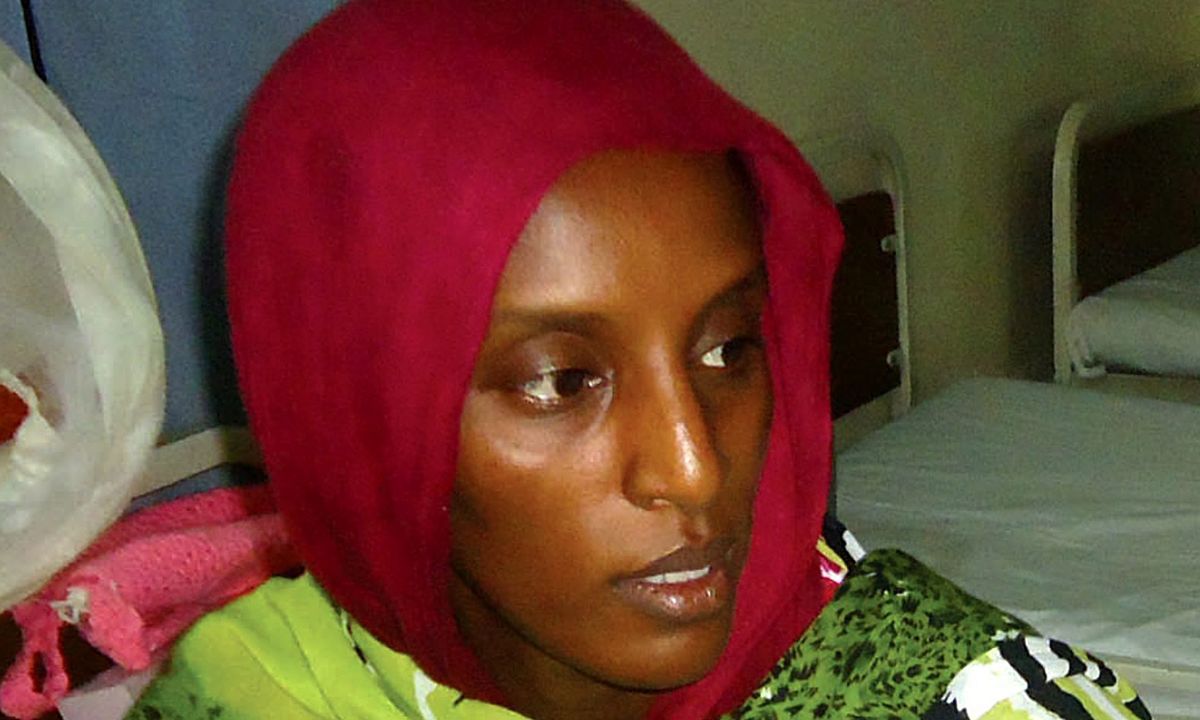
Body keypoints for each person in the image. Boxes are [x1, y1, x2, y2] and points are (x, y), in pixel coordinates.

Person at [127, 1, 1150, 718]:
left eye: (729, 348)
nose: (695, 467)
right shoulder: (243, 687)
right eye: (562, 381)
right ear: (357, 417)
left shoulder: (973, 702)